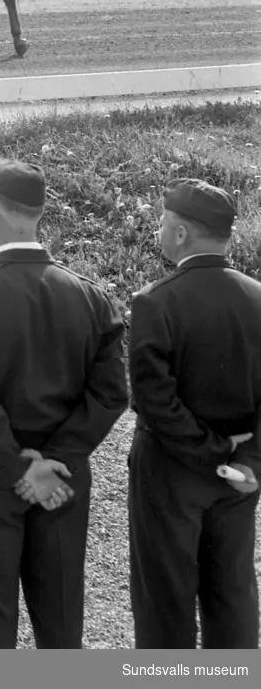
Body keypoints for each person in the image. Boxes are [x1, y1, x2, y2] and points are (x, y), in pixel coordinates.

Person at [0, 157, 128, 649]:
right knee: (62, 615)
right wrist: (57, 460)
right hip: (64, 481)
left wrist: (16, 467)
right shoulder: (92, 296)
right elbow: (111, 392)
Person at [127, 178, 261, 649]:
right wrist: (249, 461)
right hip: (239, 479)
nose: (160, 231)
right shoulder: (259, 298)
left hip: (169, 474)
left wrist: (212, 450)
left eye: (164, 222)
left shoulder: (155, 301)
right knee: (233, 596)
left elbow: (153, 402)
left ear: (181, 233)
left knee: (165, 601)